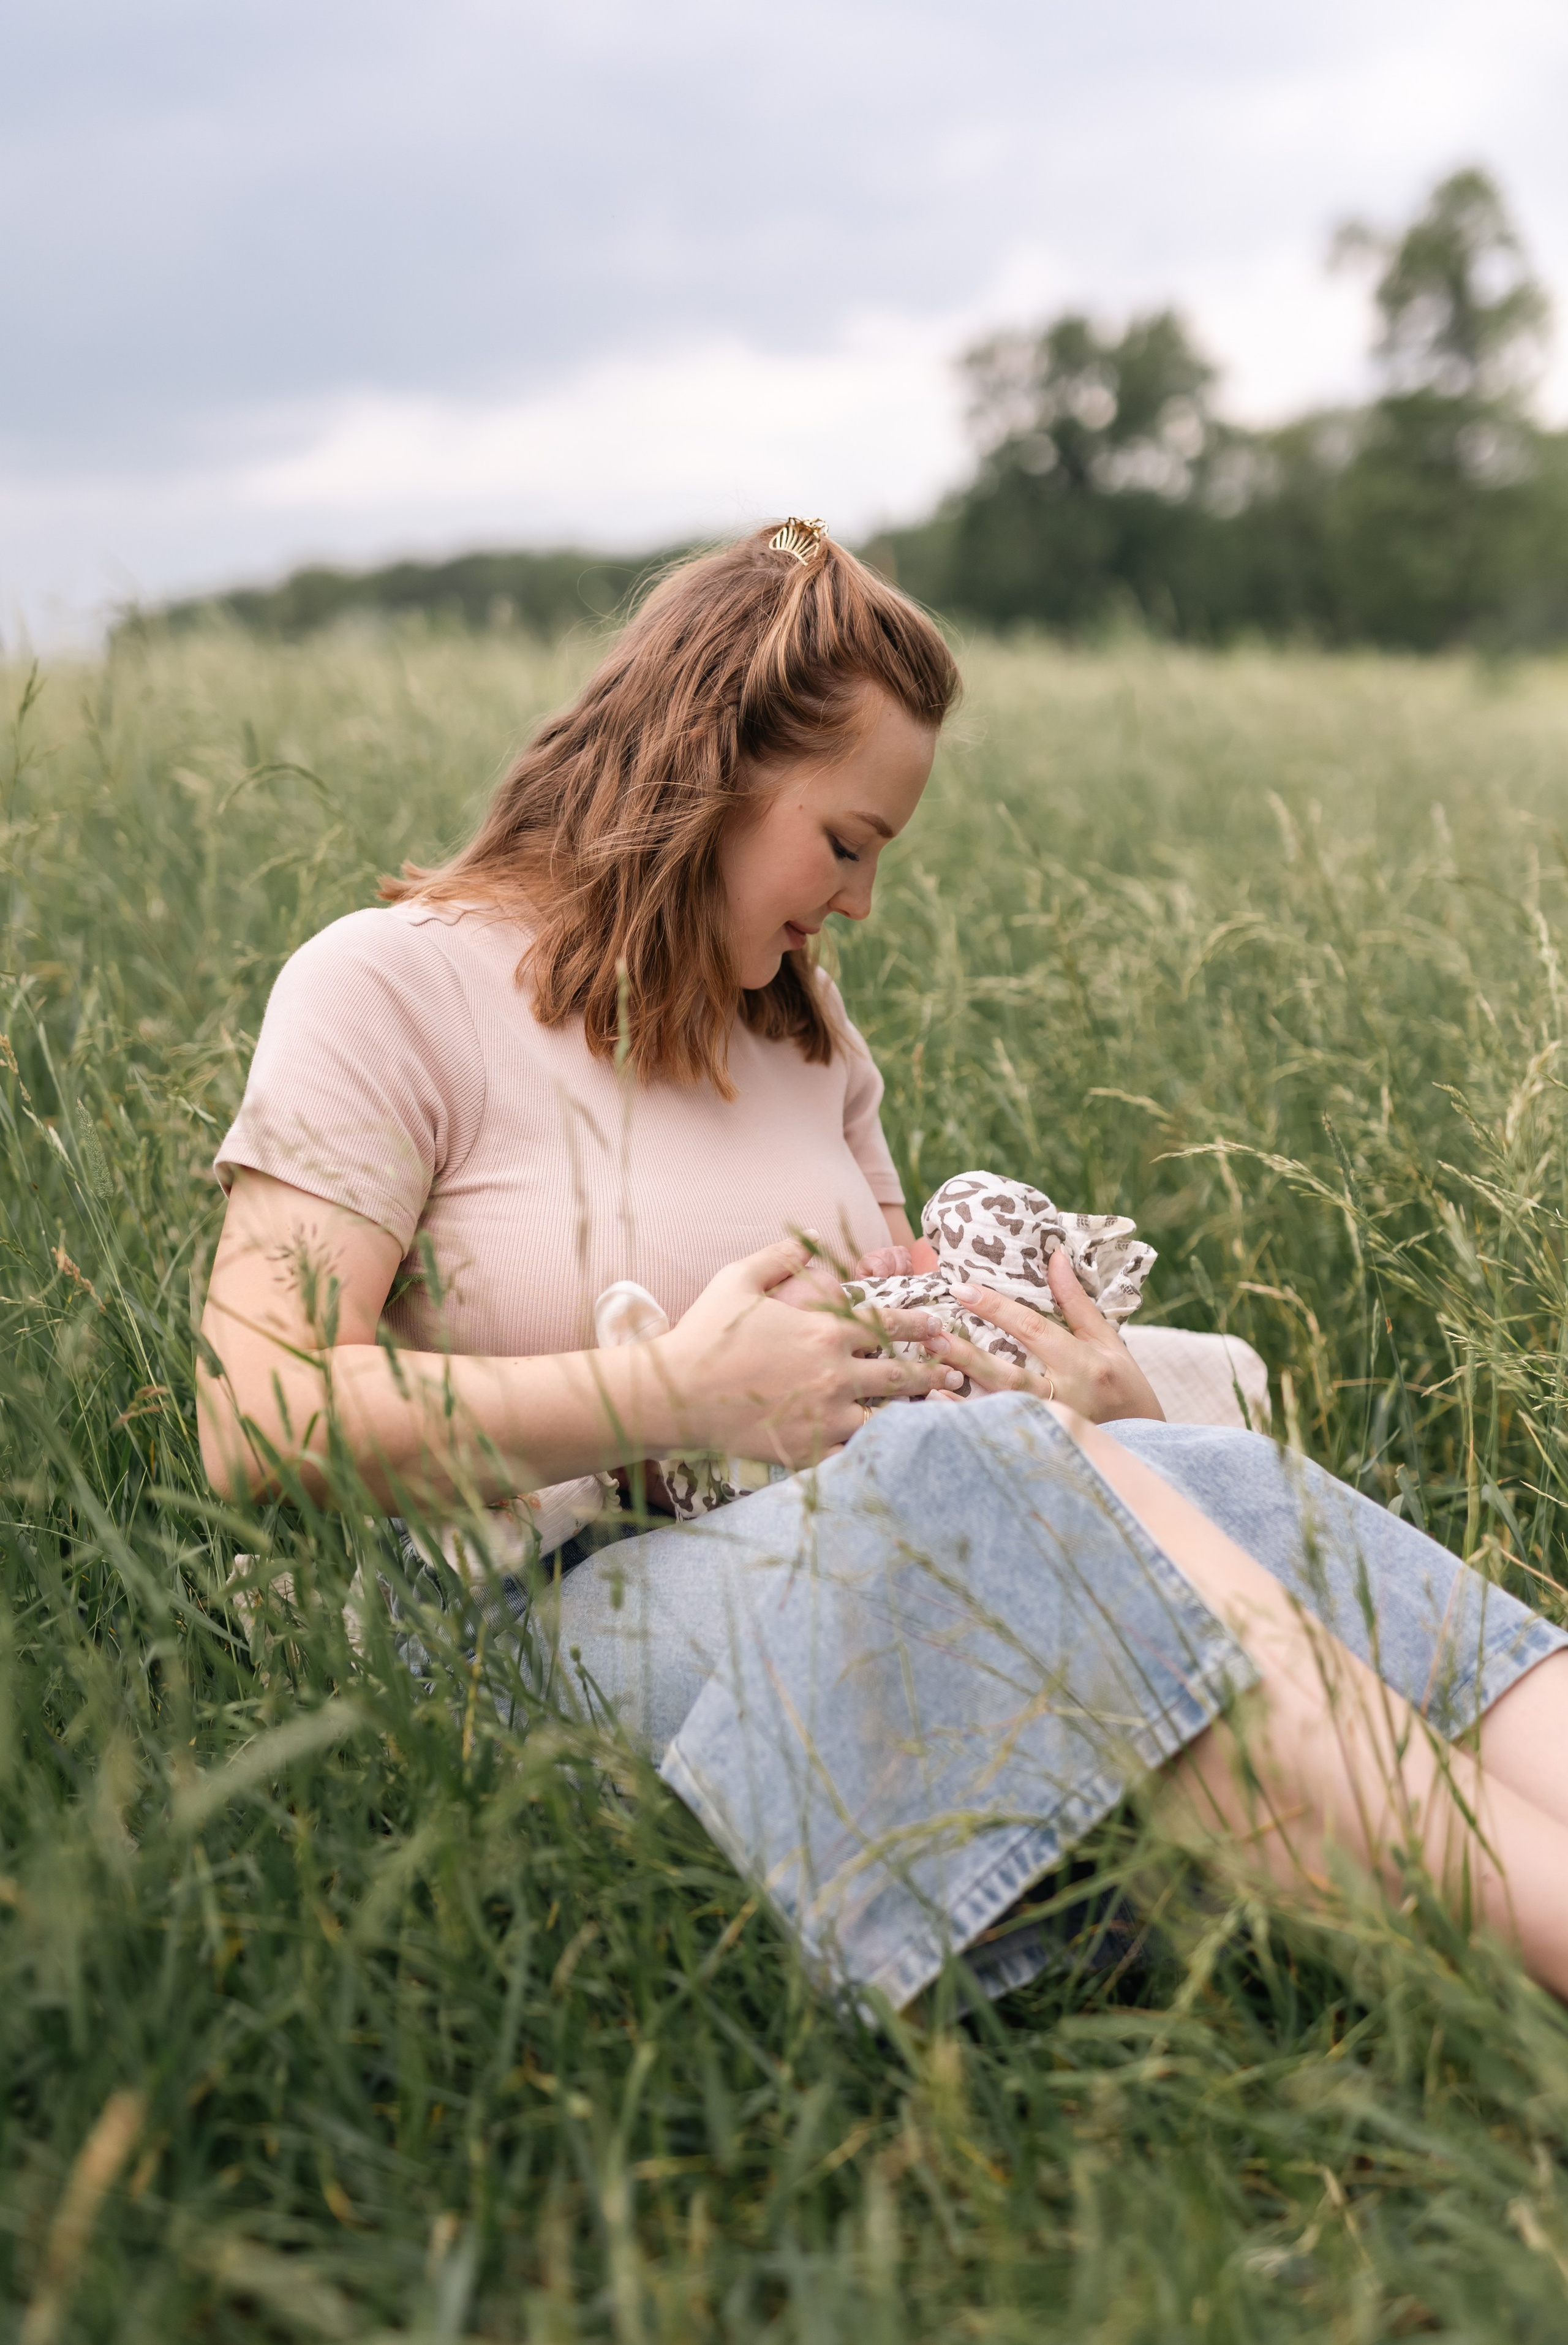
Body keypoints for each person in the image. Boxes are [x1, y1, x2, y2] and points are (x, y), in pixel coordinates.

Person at [200, 519, 1568, 2012]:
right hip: (528, 1628)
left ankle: (1461, 1964)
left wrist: (1080, 1394)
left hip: (854, 1565)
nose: (856, 902)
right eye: (842, 843)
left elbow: (909, 1398)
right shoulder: (385, 985)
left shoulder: (805, 1036)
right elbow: (254, 1419)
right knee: (969, 1487)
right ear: (701, 772)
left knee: (1229, 1486)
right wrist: (670, 1394)